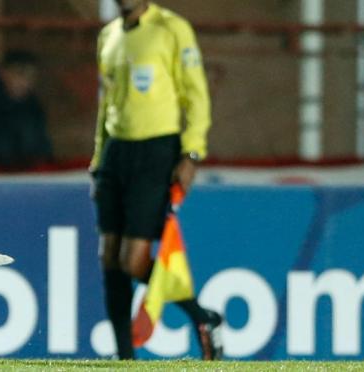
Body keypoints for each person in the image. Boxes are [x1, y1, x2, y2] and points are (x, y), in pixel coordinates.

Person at [89, 0, 223, 360]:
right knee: (108, 256)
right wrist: (99, 159)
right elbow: (107, 103)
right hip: (116, 152)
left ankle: (201, 316)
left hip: (156, 151)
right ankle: (124, 357)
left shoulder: (171, 28)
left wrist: (192, 152)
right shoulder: (109, 35)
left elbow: (195, 93)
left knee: (133, 260)